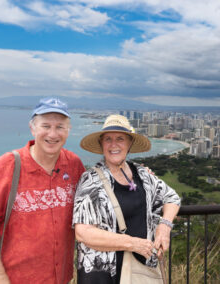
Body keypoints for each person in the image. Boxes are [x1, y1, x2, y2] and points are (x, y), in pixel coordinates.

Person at [0, 97, 86, 284]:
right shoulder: (7, 166)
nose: (52, 134)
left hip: (60, 278)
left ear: (68, 131)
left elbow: (94, 198)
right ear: (32, 128)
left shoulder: (74, 165)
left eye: (60, 127)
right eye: (45, 126)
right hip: (14, 278)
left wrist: (139, 175)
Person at [73, 114, 181, 283]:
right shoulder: (91, 180)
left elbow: (172, 198)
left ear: (129, 144)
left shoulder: (143, 175)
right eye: (108, 139)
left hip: (138, 272)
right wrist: (132, 243)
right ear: (101, 144)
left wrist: (165, 226)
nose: (113, 144)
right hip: (101, 275)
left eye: (120, 139)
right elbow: (83, 233)